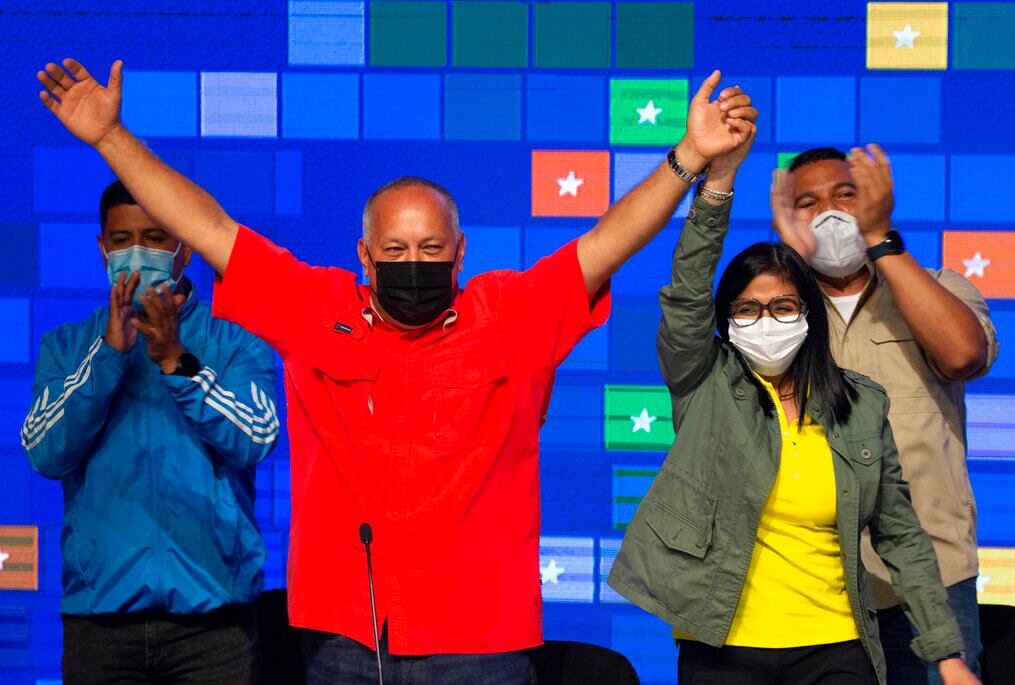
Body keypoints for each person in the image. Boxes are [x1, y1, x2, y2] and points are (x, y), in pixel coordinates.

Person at [34, 57, 757, 684]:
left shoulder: (514, 313)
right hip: (350, 644)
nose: (416, 264)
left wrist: (687, 157)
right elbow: (207, 227)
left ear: (460, 250)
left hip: (484, 647)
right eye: (397, 250)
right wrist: (109, 138)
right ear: (365, 254)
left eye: (431, 247)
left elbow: (607, 239)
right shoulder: (313, 307)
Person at [606, 128, 981, 685]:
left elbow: (900, 528)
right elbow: (687, 296)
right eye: (748, 310)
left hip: (866, 620)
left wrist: (948, 657)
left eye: (784, 308)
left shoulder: (860, 398)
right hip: (727, 636)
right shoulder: (709, 382)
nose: (767, 322)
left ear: (806, 317)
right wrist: (720, 184)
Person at [21, 180, 280, 684]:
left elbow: (255, 437)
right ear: (103, 249)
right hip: (101, 627)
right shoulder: (67, 345)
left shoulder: (236, 340)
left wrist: (177, 363)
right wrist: (109, 356)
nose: (137, 253)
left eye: (156, 237)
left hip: (215, 630)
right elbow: (44, 452)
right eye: (122, 240)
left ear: (184, 245)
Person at [771, 146, 998, 682]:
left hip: (931, 581)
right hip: (809, 585)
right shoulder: (774, 313)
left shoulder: (939, 287)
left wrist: (879, 239)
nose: (829, 213)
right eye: (808, 202)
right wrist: (785, 274)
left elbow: (964, 355)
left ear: (877, 199)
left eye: (845, 194)